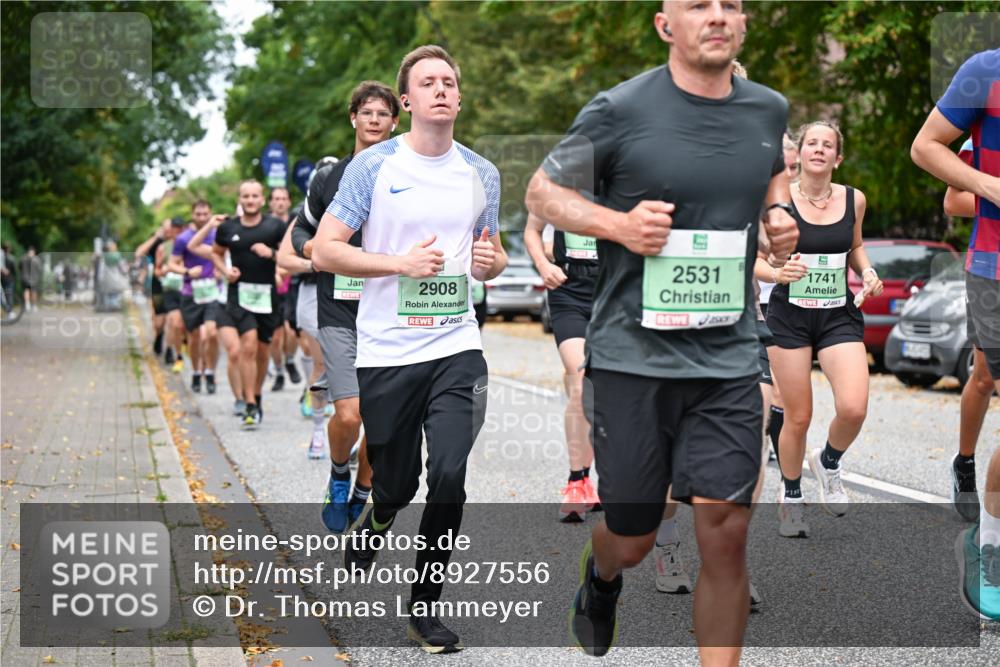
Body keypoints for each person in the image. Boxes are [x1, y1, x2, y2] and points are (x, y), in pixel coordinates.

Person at [525, 1, 799, 659]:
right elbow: (541, 193)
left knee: (725, 531)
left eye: (730, 5)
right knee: (634, 533)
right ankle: (602, 574)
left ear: (743, 23)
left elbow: (772, 173)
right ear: (663, 24)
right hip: (633, 358)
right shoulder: (620, 110)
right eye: (698, 4)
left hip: (727, 356)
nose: (717, 15)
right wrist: (618, 225)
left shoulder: (767, 109)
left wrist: (780, 212)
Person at [313, 45, 507, 653]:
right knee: (395, 484)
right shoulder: (372, 169)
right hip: (387, 352)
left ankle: (424, 609)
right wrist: (398, 263)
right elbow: (325, 250)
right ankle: (377, 515)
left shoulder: (482, 173)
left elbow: (492, 257)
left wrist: (491, 262)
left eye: (450, 81)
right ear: (407, 100)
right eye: (428, 83)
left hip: (457, 345)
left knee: (449, 473)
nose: (442, 90)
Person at [280, 81, 397, 535]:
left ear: (394, 122)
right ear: (353, 119)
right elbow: (297, 234)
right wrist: (317, 249)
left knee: (382, 422)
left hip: (391, 309)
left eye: (382, 114)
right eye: (365, 112)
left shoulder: (408, 175)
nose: (373, 120)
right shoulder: (329, 178)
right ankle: (338, 474)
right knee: (349, 413)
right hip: (340, 309)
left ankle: (364, 490)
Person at [911, 47, 999, 620]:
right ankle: (989, 538)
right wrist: (992, 189)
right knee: (983, 377)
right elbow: (929, 153)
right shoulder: (986, 72)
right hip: (994, 267)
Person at [766, 121, 884, 537]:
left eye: (827, 144)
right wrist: (779, 269)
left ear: (838, 158)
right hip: (789, 315)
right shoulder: (777, 203)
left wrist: (867, 272)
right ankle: (792, 492)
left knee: (854, 407)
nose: (818, 149)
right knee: (798, 415)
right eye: (811, 143)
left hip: (837, 314)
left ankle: (829, 461)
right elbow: (759, 254)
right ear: (798, 154)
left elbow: (854, 246)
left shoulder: (855, 199)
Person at [524, 210, 601, 522]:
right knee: (582, 380)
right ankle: (577, 481)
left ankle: (608, 477)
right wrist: (544, 265)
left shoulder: (624, 173)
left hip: (613, 291)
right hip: (567, 290)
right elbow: (532, 230)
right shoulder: (557, 179)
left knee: (609, 388)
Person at [207, 180, 286, 428]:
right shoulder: (228, 228)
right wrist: (224, 271)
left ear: (263, 200)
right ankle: (250, 404)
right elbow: (215, 253)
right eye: (246, 196)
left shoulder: (275, 226)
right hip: (239, 295)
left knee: (263, 352)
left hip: (267, 296)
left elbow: (289, 256)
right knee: (248, 345)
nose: (250, 200)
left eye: (254, 196)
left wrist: (272, 254)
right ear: (240, 200)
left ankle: (257, 394)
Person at [168, 200, 221, 395]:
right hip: (191, 292)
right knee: (194, 337)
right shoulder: (183, 239)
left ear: (210, 214)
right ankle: (197, 372)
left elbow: (225, 258)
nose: (202, 217)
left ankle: (210, 371)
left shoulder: (217, 236)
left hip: (213, 291)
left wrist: (219, 270)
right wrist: (188, 271)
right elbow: (171, 264)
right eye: (198, 214)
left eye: (205, 214)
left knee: (212, 333)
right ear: (193, 215)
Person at [266, 186, 303, 392]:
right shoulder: (264, 224)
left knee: (292, 332)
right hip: (270, 285)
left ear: (289, 202)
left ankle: (289, 360)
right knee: (276, 334)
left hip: (293, 283)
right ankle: (279, 370)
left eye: (283, 198)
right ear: (270, 202)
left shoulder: (297, 221)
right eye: (276, 199)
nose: (280, 202)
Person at [135, 219, 183, 356]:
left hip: (175, 287)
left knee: (173, 320)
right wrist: (155, 237)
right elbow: (138, 253)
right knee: (159, 322)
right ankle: (159, 335)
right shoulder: (157, 243)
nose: (170, 232)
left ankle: (169, 349)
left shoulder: (180, 242)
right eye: (166, 229)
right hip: (158, 286)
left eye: (172, 229)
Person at [161, 217, 188, 371]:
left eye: (180, 227)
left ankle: (180, 345)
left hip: (187, 288)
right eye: (174, 228)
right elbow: (158, 270)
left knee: (186, 326)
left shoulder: (190, 244)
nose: (177, 230)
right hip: (170, 289)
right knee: (175, 323)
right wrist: (165, 270)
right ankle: (177, 356)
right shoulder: (164, 248)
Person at [20, 246, 42, 312]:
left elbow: (19, 267)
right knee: (33, 292)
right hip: (34, 279)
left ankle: (27, 304)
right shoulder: (37, 259)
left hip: (25, 278)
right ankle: (34, 306)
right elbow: (39, 269)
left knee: (26, 290)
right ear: (34, 252)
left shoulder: (23, 258)